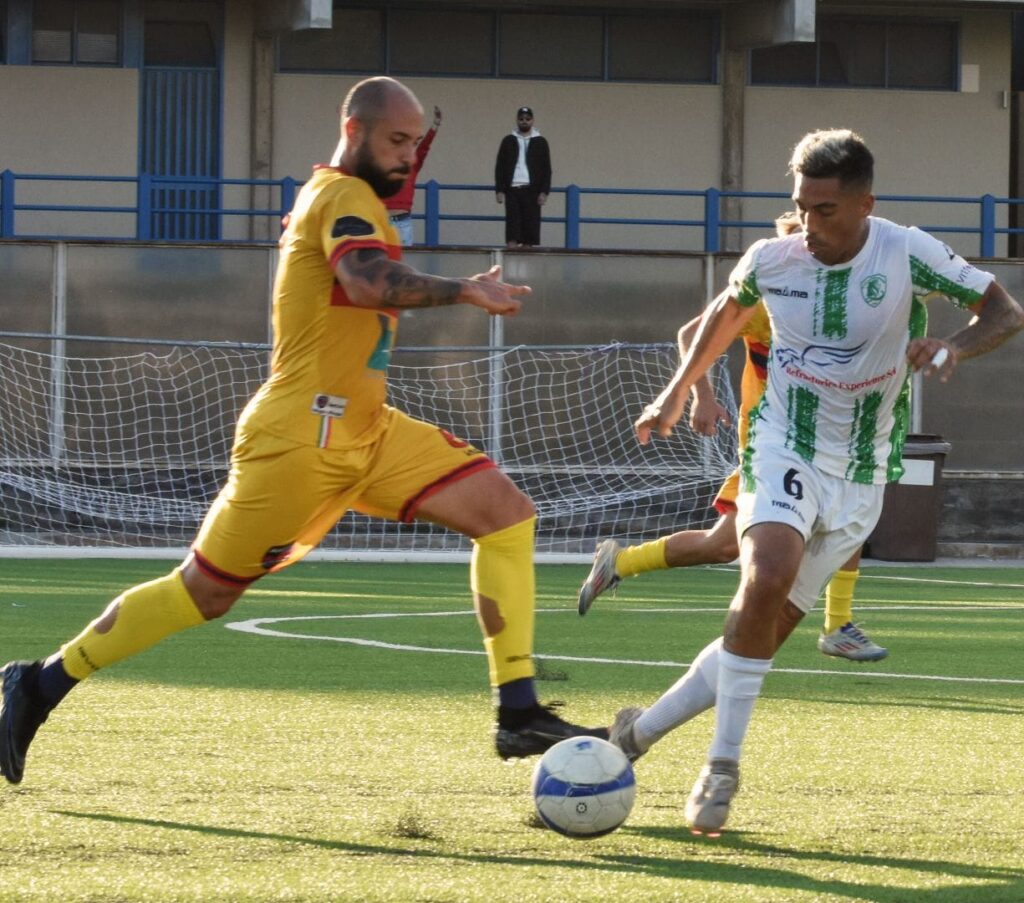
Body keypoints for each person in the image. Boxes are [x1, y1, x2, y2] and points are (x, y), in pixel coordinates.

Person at [0, 77, 604, 787]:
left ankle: (519, 711)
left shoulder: (356, 198)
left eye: (415, 142)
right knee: (204, 592)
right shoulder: (342, 198)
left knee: (504, 514)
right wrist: (465, 289)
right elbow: (369, 279)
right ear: (353, 130)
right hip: (300, 437)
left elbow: (374, 257)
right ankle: (38, 683)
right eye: (397, 140)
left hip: (367, 428)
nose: (410, 156)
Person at [606, 128, 1023, 835]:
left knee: (760, 638)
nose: (809, 224)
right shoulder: (773, 257)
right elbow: (720, 317)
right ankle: (723, 763)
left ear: (866, 203)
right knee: (763, 571)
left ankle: (636, 734)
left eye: (825, 210)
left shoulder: (908, 250)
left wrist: (953, 344)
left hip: (863, 469)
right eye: (801, 207)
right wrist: (678, 391)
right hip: (784, 442)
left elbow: (1005, 310)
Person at [579, 213, 887, 663]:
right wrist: (701, 396)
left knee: (729, 542)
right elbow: (690, 334)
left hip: (818, 437)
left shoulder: (838, 295)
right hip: (771, 439)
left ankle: (619, 563)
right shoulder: (767, 296)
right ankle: (836, 625)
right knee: (744, 540)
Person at [383, 104, 442, 246]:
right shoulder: (383, 166)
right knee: (381, 263)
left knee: (403, 262)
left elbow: (424, 148)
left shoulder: (412, 165)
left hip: (403, 222)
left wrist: (435, 126)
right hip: (383, 222)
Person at [494, 106, 551, 248]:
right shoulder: (508, 141)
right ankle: (510, 263)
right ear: (517, 120)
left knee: (529, 231)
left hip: (532, 191)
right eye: (521, 119)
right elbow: (500, 167)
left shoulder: (541, 142)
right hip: (512, 189)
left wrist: (544, 191)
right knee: (512, 229)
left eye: (527, 119)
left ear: (532, 120)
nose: (524, 122)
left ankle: (527, 263)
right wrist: (499, 190)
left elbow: (546, 169)